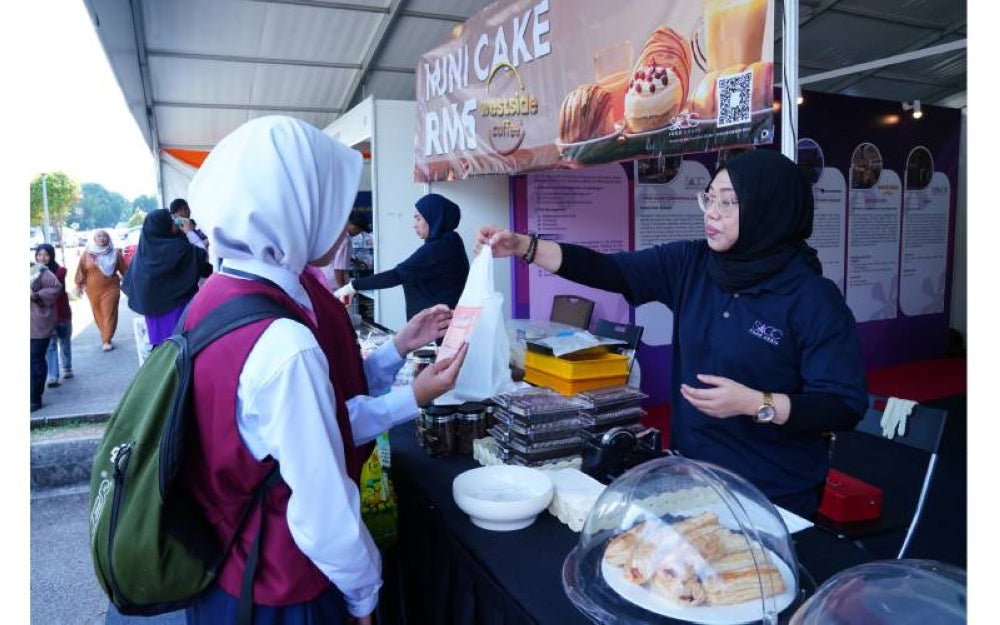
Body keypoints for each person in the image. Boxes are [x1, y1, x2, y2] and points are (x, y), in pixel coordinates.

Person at [182, 114, 468, 624]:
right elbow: (324, 508)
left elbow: (304, 426)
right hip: (281, 586)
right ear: (292, 207)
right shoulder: (283, 342)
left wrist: (398, 349)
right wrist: (363, 595)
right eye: (332, 204)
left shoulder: (216, 297)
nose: (344, 223)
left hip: (229, 565)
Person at [477, 150, 868, 518]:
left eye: (728, 203)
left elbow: (843, 405)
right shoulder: (693, 263)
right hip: (691, 474)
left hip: (770, 490)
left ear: (769, 211)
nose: (711, 213)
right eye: (709, 198)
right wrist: (524, 247)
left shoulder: (812, 298)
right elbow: (610, 270)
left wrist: (756, 403)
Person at [334, 194, 470, 322]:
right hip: (443, 321)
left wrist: (353, 286)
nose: (414, 224)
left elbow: (397, 275)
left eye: (418, 218)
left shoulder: (438, 248)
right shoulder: (452, 241)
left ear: (434, 218)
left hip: (437, 326)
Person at [121, 209, 213, 348]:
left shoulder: (143, 252)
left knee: (162, 347)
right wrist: (189, 232)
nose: (175, 223)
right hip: (176, 309)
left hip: (153, 314)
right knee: (180, 346)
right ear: (164, 225)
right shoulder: (175, 248)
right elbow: (201, 256)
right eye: (171, 221)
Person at [74, 230, 128, 352]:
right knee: (98, 314)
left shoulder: (115, 254)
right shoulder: (87, 254)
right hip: (93, 291)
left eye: (105, 236)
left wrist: (132, 285)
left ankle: (106, 340)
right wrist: (78, 285)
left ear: (109, 239)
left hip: (111, 289)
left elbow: (125, 271)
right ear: (94, 239)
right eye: (99, 236)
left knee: (109, 313)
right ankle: (105, 334)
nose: (102, 238)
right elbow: (81, 270)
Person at [35, 243, 73, 386]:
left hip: (62, 312)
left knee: (65, 341)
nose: (42, 258)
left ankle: (67, 367)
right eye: (39, 255)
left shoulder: (61, 270)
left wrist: (41, 272)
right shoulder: (33, 272)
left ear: (51, 256)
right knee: (51, 345)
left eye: (46, 254)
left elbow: (55, 284)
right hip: (46, 314)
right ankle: (53, 376)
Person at [30, 261, 62, 411]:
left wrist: (37, 295)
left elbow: (56, 287)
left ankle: (34, 398)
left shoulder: (39, 271)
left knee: (35, 358)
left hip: (37, 322)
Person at [346, 210, 374, 276]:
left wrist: (363, 263)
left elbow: (368, 256)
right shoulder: (338, 236)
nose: (357, 231)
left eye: (360, 229)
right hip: (338, 272)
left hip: (358, 272)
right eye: (356, 228)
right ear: (349, 223)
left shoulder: (366, 237)